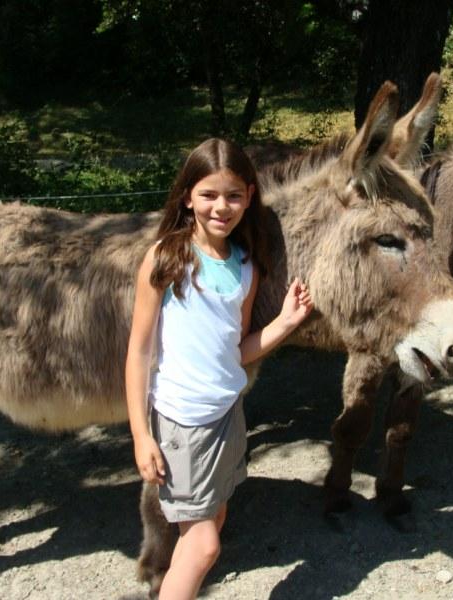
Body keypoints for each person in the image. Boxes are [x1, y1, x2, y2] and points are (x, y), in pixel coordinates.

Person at [125, 138, 313, 600]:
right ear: (188, 196)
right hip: (181, 424)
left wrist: (286, 322)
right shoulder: (166, 260)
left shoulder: (246, 267)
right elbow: (139, 352)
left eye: (232, 196)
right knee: (205, 545)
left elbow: (238, 350)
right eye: (209, 195)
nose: (221, 207)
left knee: (215, 521)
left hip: (227, 416)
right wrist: (140, 435)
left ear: (249, 197)